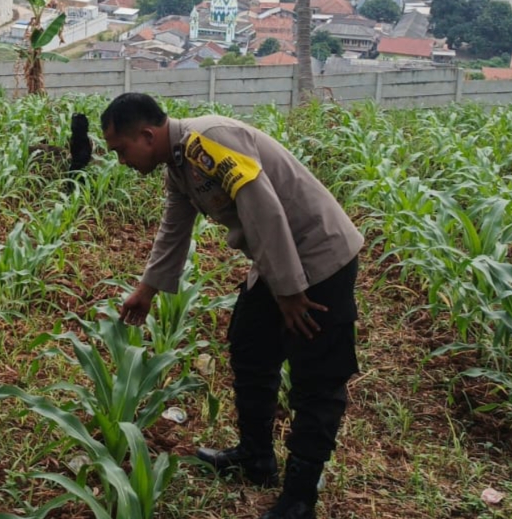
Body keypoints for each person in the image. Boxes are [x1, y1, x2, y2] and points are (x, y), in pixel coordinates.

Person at [100, 93, 363, 519]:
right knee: (250, 346)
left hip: (319, 257)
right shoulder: (179, 165)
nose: (121, 161)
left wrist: (289, 292)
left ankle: (299, 498)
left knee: (317, 376)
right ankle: (257, 458)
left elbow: (264, 210)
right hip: (278, 261)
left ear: (147, 135)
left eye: (121, 150)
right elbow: (174, 227)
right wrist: (147, 290)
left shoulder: (208, 141)